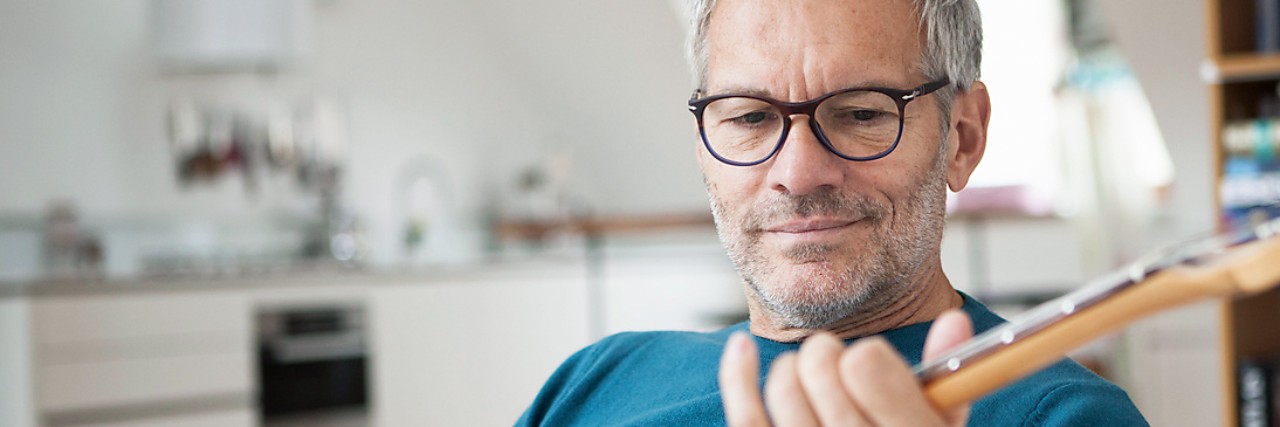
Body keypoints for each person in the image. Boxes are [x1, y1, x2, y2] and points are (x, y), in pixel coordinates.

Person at [517, 0, 1149, 425]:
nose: (798, 173)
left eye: (861, 113)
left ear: (962, 136)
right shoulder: (593, 382)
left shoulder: (1063, 415)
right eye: (748, 117)